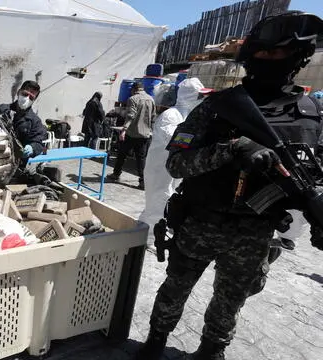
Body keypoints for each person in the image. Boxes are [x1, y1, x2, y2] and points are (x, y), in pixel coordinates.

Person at [136, 12, 323, 360]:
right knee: (174, 291)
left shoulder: (310, 112)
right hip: (203, 222)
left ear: (298, 57)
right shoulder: (220, 106)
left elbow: (313, 172)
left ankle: (210, 351)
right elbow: (176, 163)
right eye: (261, 54)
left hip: (256, 231)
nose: (266, 62)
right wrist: (233, 149)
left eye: (277, 54)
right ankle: (155, 343)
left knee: (231, 300)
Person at [138, 78, 206, 245]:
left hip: (173, 170)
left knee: (165, 203)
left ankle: (140, 231)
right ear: (189, 96)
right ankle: (150, 240)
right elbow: (178, 141)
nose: (202, 100)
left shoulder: (188, 117)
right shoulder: (170, 116)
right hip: (159, 171)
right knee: (158, 203)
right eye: (199, 96)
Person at [108, 82, 156, 190]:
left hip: (132, 133)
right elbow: (153, 117)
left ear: (134, 89)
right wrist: (151, 131)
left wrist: (124, 130)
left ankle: (116, 174)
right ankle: (143, 182)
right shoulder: (151, 99)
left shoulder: (133, 99)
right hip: (144, 135)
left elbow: (130, 116)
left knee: (122, 154)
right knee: (141, 159)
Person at [0, 80, 48, 166]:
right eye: (25, 94)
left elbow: (39, 143)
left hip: (17, 164)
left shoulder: (35, 122)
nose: (27, 98)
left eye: (31, 97)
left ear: (34, 100)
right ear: (18, 92)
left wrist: (32, 148)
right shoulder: (2, 109)